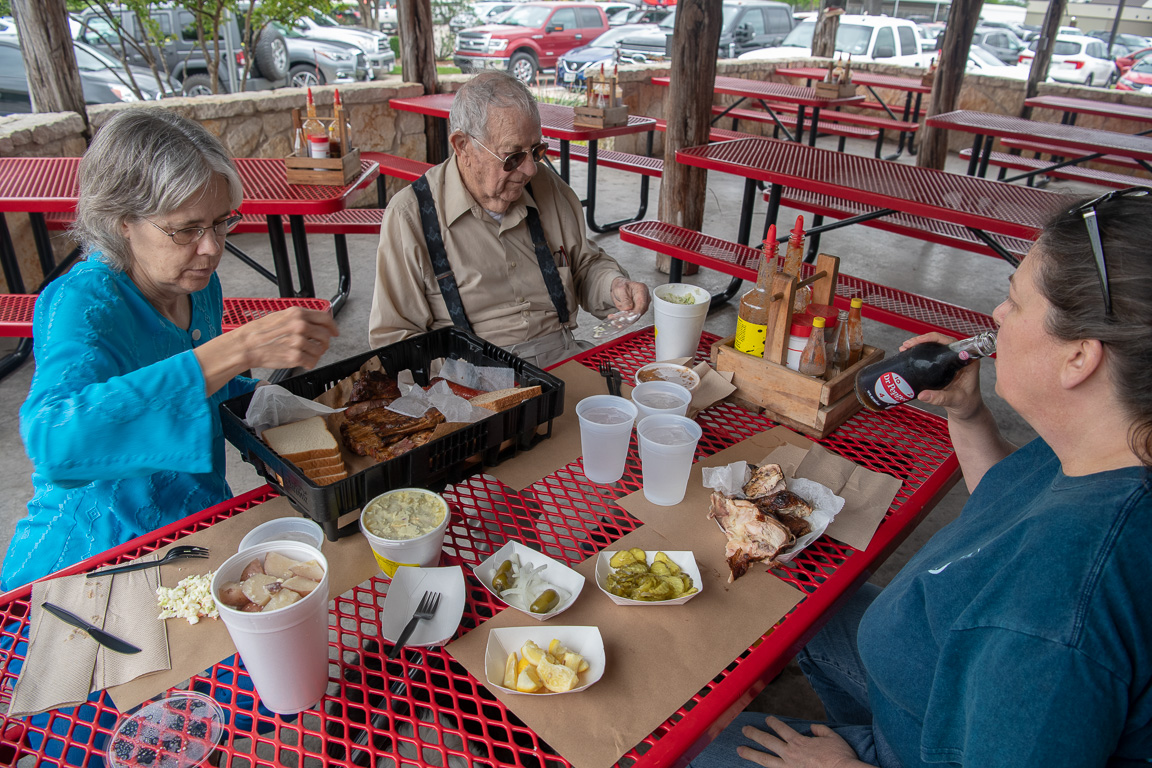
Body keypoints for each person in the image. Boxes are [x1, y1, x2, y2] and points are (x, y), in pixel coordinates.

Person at [689, 188, 1152, 768]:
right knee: (799, 589)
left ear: (1080, 358)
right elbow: (1009, 503)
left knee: (680, 749)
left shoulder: (1051, 620)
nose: (998, 317)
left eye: (1015, 302)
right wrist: (968, 413)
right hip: (933, 689)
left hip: (918, 749)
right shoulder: (1107, 448)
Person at [2, 109, 339, 590]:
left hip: (194, 524)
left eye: (222, 223)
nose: (211, 249)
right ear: (121, 220)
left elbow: (193, 388)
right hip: (98, 552)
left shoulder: (199, 286)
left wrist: (265, 400)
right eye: (186, 229)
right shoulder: (83, 303)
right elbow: (55, 440)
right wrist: (236, 348)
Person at [368, 70, 649, 368]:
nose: (529, 170)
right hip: (466, 373)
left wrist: (613, 285)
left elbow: (583, 266)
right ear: (463, 146)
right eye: (513, 156)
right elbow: (395, 337)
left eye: (537, 150)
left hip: (558, 355)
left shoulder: (548, 189)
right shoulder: (410, 216)